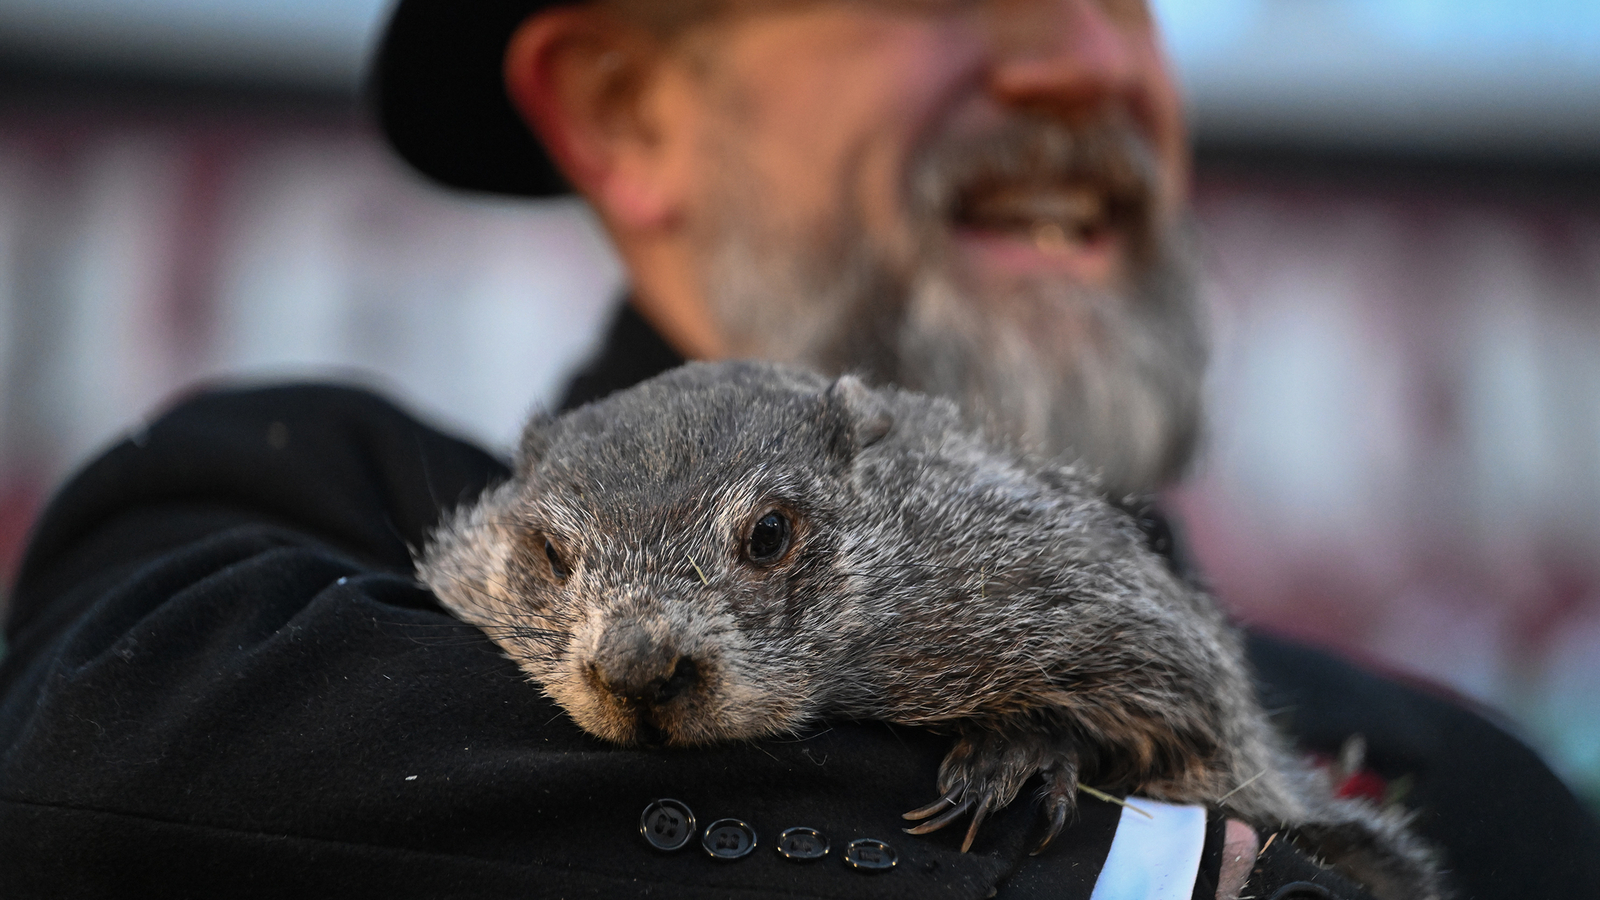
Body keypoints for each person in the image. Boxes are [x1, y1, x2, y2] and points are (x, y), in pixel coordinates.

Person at [0, 1, 1594, 898]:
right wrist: (1154, 877)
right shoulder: (296, 514)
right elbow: (109, 781)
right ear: (627, 110)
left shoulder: (1471, 790)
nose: (1089, 62)